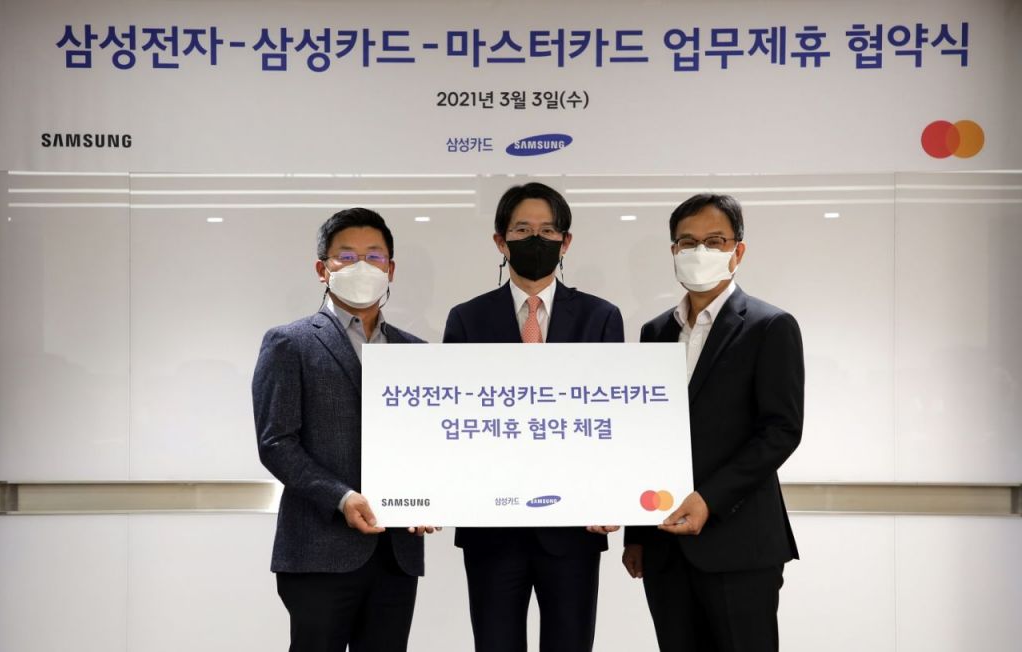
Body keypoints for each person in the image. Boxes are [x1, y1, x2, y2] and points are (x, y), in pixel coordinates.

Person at [443, 181, 625, 652]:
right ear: (500, 241)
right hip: (491, 527)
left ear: (566, 242)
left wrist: (611, 493)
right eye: (522, 230)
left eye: (547, 231)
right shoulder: (466, 319)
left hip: (574, 527)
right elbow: (452, 421)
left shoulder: (601, 317)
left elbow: (615, 419)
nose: (535, 240)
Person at [622, 194, 804, 652]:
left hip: (739, 543)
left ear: (737, 251)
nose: (699, 251)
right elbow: (646, 434)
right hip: (664, 546)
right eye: (688, 242)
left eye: (714, 241)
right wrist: (636, 534)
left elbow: (781, 430)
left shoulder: (770, 326)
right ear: (673, 251)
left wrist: (710, 499)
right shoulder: (654, 332)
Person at [253, 207, 436, 652]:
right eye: (347, 256)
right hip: (318, 549)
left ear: (391, 269)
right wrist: (341, 497)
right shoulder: (290, 343)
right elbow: (276, 442)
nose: (362, 266)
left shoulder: (417, 352)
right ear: (323, 269)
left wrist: (432, 494)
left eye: (374, 256)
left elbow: (429, 444)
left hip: (396, 555)